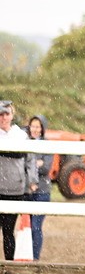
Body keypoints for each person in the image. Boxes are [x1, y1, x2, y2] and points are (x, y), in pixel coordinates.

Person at [0, 100, 36, 260]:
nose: (3, 118)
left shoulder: (21, 136)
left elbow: (30, 160)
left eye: (6, 114)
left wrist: (31, 181)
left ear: (12, 115)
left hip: (14, 189)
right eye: (0, 114)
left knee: (8, 231)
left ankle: (8, 266)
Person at [24, 114, 51, 260]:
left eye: (38, 126)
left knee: (36, 227)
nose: (35, 129)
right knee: (25, 228)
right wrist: (35, 163)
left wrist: (31, 165)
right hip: (27, 191)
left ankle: (35, 258)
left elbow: (46, 167)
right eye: (33, 126)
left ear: (42, 128)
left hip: (42, 191)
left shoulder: (46, 144)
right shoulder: (24, 142)